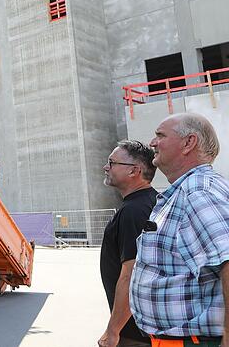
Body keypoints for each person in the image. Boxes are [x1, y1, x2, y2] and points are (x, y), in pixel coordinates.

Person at [130, 113, 229, 347]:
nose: (152, 143)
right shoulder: (188, 190)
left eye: (160, 135)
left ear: (188, 143)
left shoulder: (198, 191)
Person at [98, 140, 157, 347]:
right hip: (146, 330)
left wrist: (112, 331)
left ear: (134, 171)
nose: (106, 167)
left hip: (134, 334)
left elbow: (131, 274)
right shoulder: (152, 201)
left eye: (112, 162)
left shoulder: (132, 211)